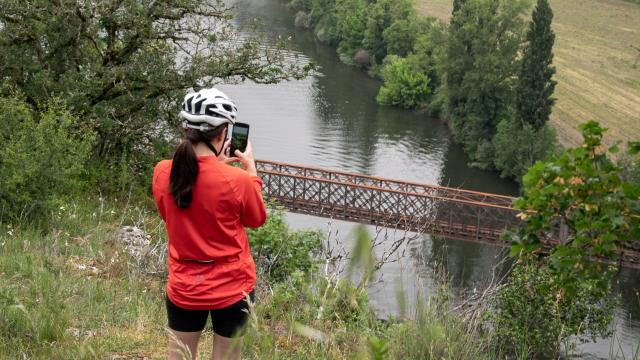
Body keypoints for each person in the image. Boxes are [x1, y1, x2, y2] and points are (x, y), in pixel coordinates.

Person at [152, 88, 267, 360]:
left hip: (185, 285)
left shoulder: (162, 171)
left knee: (179, 355)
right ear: (222, 133)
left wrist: (214, 163)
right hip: (232, 287)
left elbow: (173, 214)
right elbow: (257, 218)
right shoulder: (237, 181)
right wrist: (251, 170)